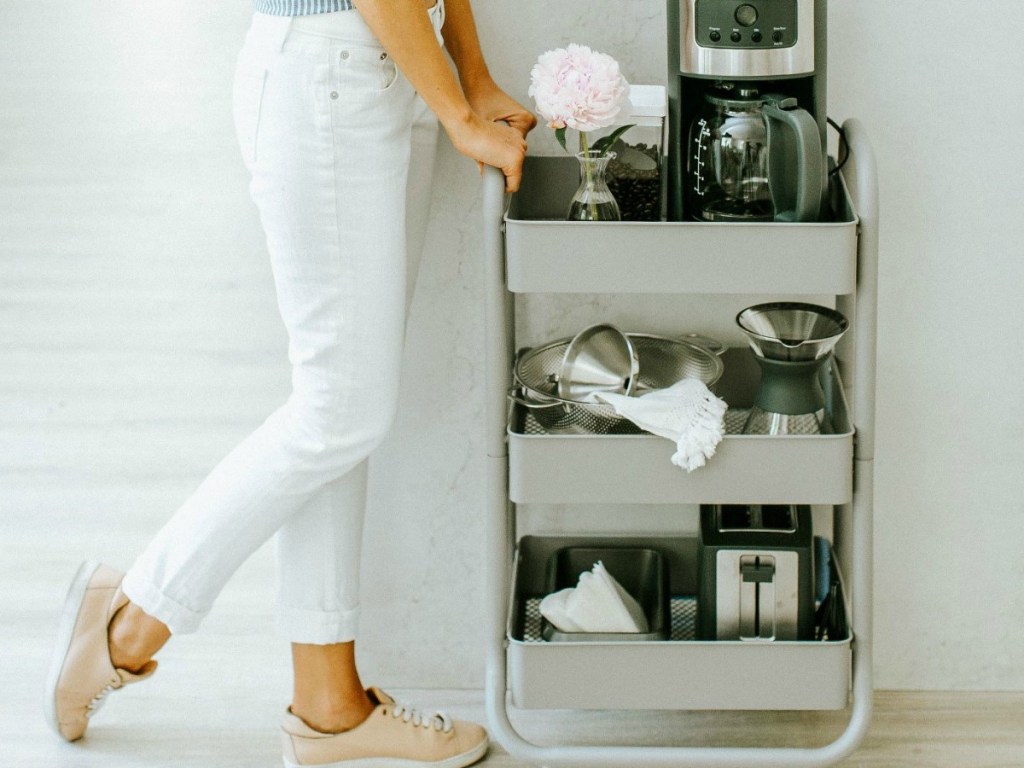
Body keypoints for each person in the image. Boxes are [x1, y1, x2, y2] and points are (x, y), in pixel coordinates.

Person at [43, 0, 535, 766]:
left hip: (393, 64)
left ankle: (328, 707)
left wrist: (469, 77)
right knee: (340, 413)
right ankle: (133, 617)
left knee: (341, 411)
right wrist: (457, 106)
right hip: (329, 75)